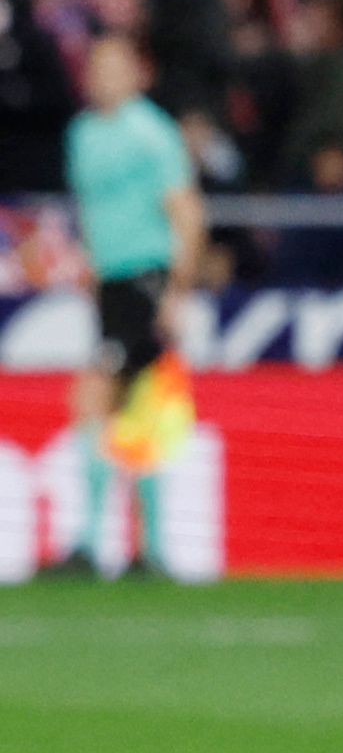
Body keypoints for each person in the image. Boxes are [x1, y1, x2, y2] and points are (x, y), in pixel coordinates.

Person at [49, 34, 203, 580]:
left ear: (137, 72)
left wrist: (175, 291)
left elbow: (186, 212)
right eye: (96, 67)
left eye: (115, 66)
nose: (104, 76)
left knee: (93, 399)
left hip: (145, 276)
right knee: (133, 411)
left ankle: (94, 544)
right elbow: (91, 215)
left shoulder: (152, 133)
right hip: (110, 282)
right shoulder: (83, 135)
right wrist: (90, 270)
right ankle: (148, 550)